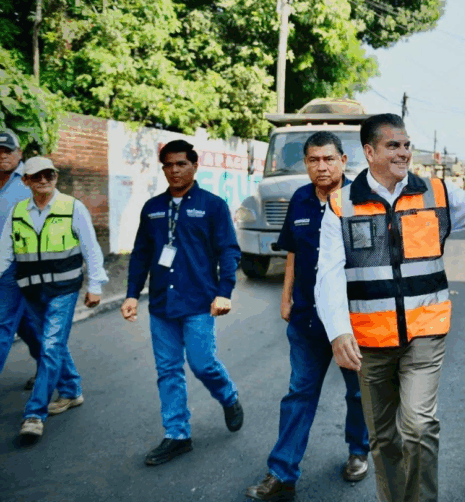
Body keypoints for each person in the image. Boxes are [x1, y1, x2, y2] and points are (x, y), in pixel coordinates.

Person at [315, 113, 465, 502]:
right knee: (383, 438)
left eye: (406, 145)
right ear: (369, 151)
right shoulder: (341, 205)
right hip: (370, 339)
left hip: (425, 333)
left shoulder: (436, 193)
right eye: (393, 146)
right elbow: (328, 275)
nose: (403, 153)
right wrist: (338, 331)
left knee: (418, 425)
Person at [245, 132, 370, 501]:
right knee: (299, 393)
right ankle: (282, 472)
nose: (322, 167)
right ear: (306, 163)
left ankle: (358, 451)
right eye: (314, 160)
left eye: (328, 159)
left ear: (344, 161)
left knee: (358, 393)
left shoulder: (360, 200)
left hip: (350, 322)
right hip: (306, 319)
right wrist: (285, 299)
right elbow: (293, 253)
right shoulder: (299, 198)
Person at [121, 139, 243, 466]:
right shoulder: (152, 208)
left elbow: (229, 251)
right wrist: (132, 294)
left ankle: (228, 396)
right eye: (168, 165)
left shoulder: (213, 206)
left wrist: (224, 292)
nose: (174, 170)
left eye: (181, 164)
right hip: (161, 304)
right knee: (168, 369)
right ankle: (177, 434)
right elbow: (142, 255)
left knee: (202, 363)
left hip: (199, 301)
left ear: (194, 165)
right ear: (163, 169)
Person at [0, 156, 108, 438]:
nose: (44, 180)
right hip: (32, 291)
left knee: (49, 345)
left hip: (64, 290)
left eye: (49, 175)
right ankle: (71, 390)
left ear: (56, 177)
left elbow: (91, 249)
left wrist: (96, 285)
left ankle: (35, 413)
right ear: (25, 182)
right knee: (54, 343)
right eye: (36, 176)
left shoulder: (73, 207)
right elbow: (5, 255)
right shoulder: (18, 211)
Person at [0, 130, 39, 384]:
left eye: (7, 151)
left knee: (2, 324)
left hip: (18, 266)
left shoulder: (33, 180)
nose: (2, 156)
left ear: (19, 153)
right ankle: (60, 376)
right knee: (28, 325)